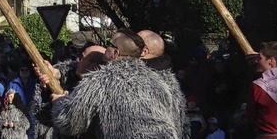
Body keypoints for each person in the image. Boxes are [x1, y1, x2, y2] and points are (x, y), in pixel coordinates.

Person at [50, 28, 188, 139]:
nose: (105, 47)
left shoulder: (101, 79)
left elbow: (70, 122)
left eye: (109, 44)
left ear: (115, 53)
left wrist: (59, 101)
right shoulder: (158, 81)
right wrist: (60, 72)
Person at [246, 40, 277, 136]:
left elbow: (250, 117)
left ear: (271, 60)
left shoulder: (257, 86)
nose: (257, 61)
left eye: (260, 58)